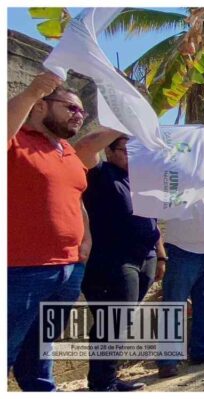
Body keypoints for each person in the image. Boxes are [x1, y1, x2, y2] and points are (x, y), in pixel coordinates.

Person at [7, 74, 120, 391]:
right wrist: (31, 91)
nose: (79, 115)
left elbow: (73, 196)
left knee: (40, 351)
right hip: (21, 268)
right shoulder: (16, 139)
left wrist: (86, 238)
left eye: (82, 111)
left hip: (69, 268)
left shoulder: (68, 152)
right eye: (71, 107)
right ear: (42, 106)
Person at [78, 135, 165, 391]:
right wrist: (118, 122)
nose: (132, 156)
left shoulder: (139, 182)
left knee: (121, 322)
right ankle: (101, 383)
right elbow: (82, 151)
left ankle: (109, 377)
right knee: (111, 321)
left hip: (145, 258)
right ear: (109, 150)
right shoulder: (100, 173)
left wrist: (161, 256)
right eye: (126, 151)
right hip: (112, 260)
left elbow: (154, 223)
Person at [156, 186, 204, 379]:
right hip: (183, 252)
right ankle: (168, 361)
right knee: (173, 306)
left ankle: (201, 352)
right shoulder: (179, 185)